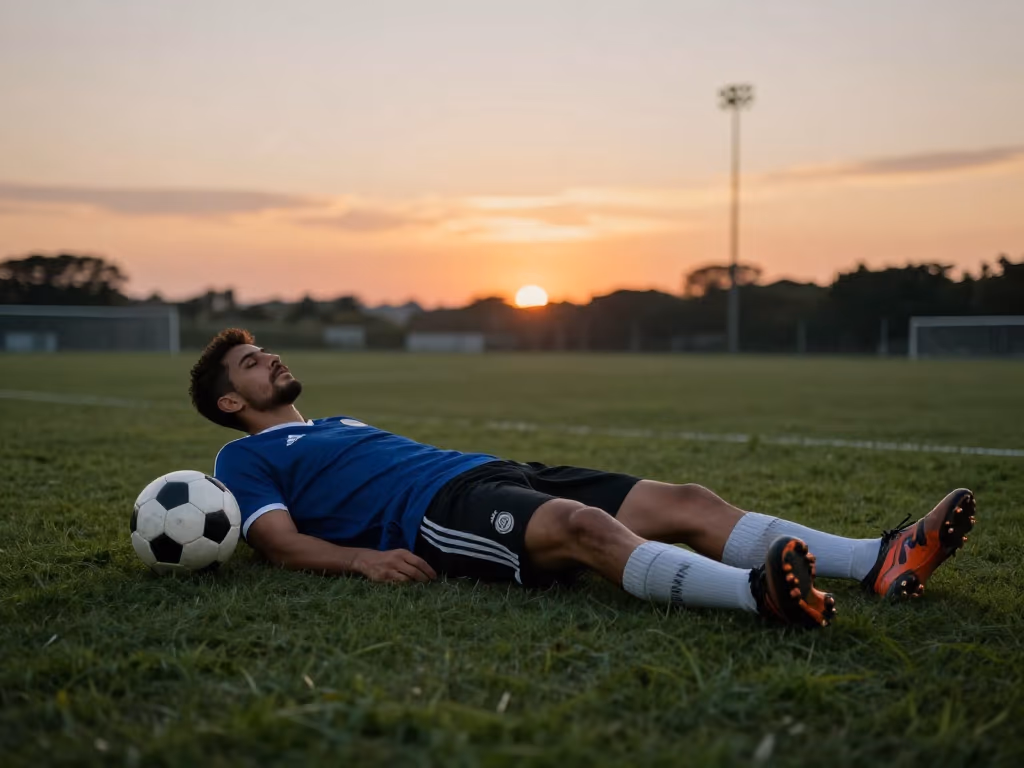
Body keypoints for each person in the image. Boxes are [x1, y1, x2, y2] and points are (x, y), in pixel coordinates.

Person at [188, 329, 976, 630]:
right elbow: (280, 544)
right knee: (583, 528)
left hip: (487, 469)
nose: (272, 359)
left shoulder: (337, 423)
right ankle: (759, 597)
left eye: (267, 351)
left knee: (689, 502)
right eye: (252, 363)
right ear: (231, 401)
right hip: (436, 513)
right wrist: (363, 559)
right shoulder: (241, 460)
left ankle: (878, 559)